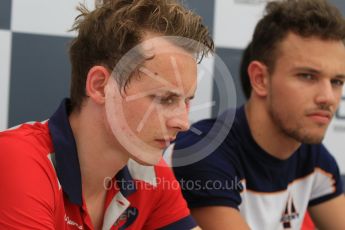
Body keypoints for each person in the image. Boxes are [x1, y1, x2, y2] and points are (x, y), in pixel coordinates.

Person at [0, 0, 214, 229]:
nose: (182, 123)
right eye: (165, 99)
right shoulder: (16, 159)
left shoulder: (151, 174)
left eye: (187, 101)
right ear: (101, 86)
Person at [173, 0, 345, 229]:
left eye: (337, 81)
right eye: (307, 76)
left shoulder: (311, 154)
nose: (328, 97)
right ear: (260, 79)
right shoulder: (204, 151)